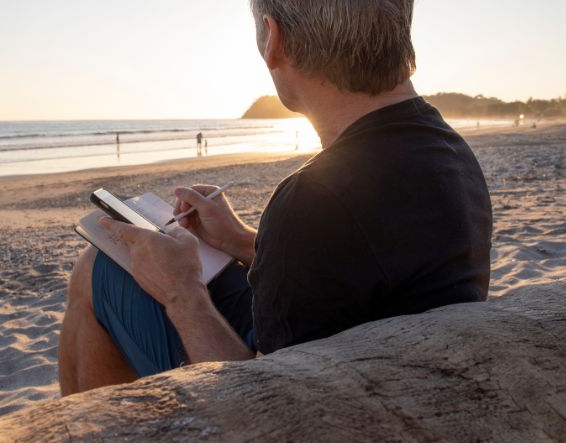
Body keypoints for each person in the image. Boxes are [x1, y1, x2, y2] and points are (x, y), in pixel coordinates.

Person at [58, 0, 492, 395]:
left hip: (337, 399)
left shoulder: (313, 201)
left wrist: (182, 292)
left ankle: (96, 427)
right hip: (381, 360)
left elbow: (266, 399)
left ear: (274, 40)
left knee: (98, 267)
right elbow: (370, 266)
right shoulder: (448, 151)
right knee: (104, 262)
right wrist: (239, 240)